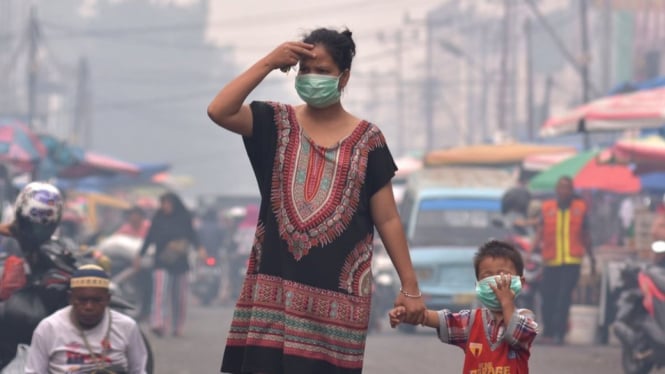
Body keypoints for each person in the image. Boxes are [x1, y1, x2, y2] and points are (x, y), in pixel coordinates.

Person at [207, 27, 425, 373]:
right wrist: (268, 62)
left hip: (336, 310)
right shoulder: (274, 122)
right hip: (273, 300)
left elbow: (387, 219)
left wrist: (410, 287)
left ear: (344, 76)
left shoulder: (368, 140)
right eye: (305, 70)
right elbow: (219, 110)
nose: (311, 78)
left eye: (322, 71)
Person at [389, 240, 538, 374]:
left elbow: (518, 334)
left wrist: (506, 302)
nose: (496, 283)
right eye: (487, 276)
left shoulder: (525, 316)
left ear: (521, 282)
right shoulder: (473, 321)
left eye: (503, 275)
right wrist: (411, 314)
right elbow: (445, 320)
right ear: (478, 286)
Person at [25, 264, 148, 373]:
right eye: (82, 300)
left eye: (96, 300)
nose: (89, 307)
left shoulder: (127, 327)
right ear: (71, 298)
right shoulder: (49, 328)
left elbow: (138, 370)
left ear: (108, 299)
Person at [133, 192, 205, 337]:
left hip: (180, 263)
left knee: (180, 297)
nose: (165, 206)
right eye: (163, 203)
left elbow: (192, 235)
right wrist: (140, 255)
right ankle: (158, 323)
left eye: (168, 203)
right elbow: (149, 238)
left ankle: (178, 326)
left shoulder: (184, 218)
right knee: (159, 293)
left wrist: (200, 248)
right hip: (161, 261)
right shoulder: (158, 218)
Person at [532, 176, 594, 345]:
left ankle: (559, 332)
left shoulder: (580, 208)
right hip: (551, 261)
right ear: (557, 190)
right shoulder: (547, 208)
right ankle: (549, 331)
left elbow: (586, 235)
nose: (564, 190)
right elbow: (539, 232)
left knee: (564, 296)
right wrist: (529, 252)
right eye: (561, 187)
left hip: (572, 261)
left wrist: (592, 257)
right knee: (548, 296)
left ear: (572, 190)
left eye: (567, 187)